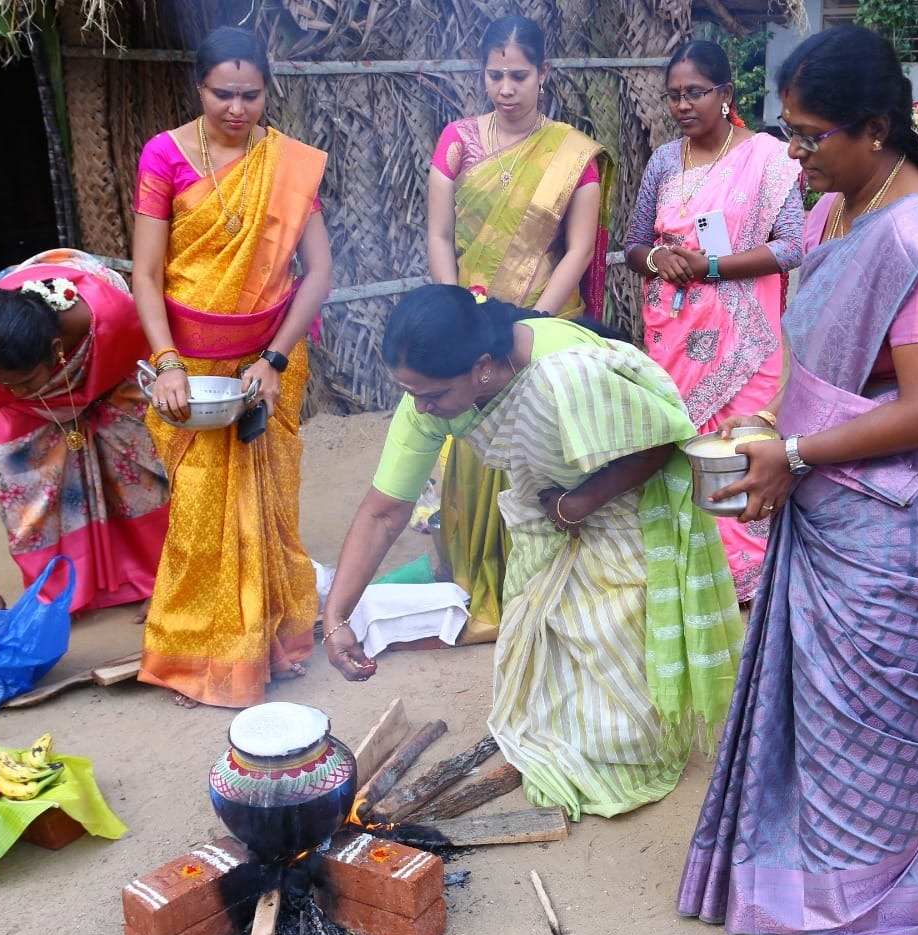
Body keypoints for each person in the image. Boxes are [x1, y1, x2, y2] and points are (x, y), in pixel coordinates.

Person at [677, 25, 918, 935]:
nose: (793, 153)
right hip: (834, 483)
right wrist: (778, 443)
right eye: (787, 131)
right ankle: (830, 865)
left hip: (905, 509)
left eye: (810, 136)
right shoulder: (840, 212)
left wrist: (791, 449)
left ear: (874, 130)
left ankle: (870, 894)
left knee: (871, 703)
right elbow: (817, 333)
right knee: (825, 702)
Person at [324, 285, 742, 820]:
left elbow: (662, 438)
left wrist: (581, 502)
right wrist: (337, 618)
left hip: (621, 501)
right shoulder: (429, 400)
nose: (420, 407)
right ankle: (570, 741)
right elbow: (384, 512)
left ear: (480, 368)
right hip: (547, 510)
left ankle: (628, 748)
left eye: (430, 395)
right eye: (411, 392)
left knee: (617, 654)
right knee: (551, 637)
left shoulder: (562, 371)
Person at [131, 27, 332, 709]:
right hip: (188, 364)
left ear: (266, 92)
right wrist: (164, 364)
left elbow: (319, 273)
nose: (238, 108)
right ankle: (195, 656)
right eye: (224, 93)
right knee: (197, 513)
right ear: (199, 88)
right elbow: (148, 272)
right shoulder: (165, 156)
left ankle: (266, 644)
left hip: (268, 360)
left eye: (251, 95)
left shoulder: (287, 164)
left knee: (268, 507)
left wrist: (275, 359)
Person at [426, 14, 613, 644]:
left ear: (544, 74)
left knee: (540, 460)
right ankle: (482, 576)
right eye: (494, 75)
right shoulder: (456, 141)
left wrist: (527, 320)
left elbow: (579, 250)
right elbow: (439, 234)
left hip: (539, 326)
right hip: (470, 318)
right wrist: (460, 310)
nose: (505, 89)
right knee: (472, 457)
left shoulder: (574, 155)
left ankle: (547, 580)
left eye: (519, 76)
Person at [624, 40, 803, 602]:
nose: (682, 105)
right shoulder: (662, 161)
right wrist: (658, 259)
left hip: (745, 342)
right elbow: (633, 245)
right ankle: (688, 579)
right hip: (673, 337)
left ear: (725, 94)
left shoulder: (769, 157)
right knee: (677, 454)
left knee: (739, 453)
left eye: (694, 92)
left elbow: (793, 246)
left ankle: (747, 589)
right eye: (674, 95)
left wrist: (714, 266)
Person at [0, 249, 170, 615]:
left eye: (25, 382)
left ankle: (162, 576)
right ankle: (60, 593)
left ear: (57, 350)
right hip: (27, 409)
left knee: (140, 467)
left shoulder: (114, 320)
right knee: (26, 487)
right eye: (5, 386)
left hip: (110, 371)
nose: (15, 391)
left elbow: (157, 361)